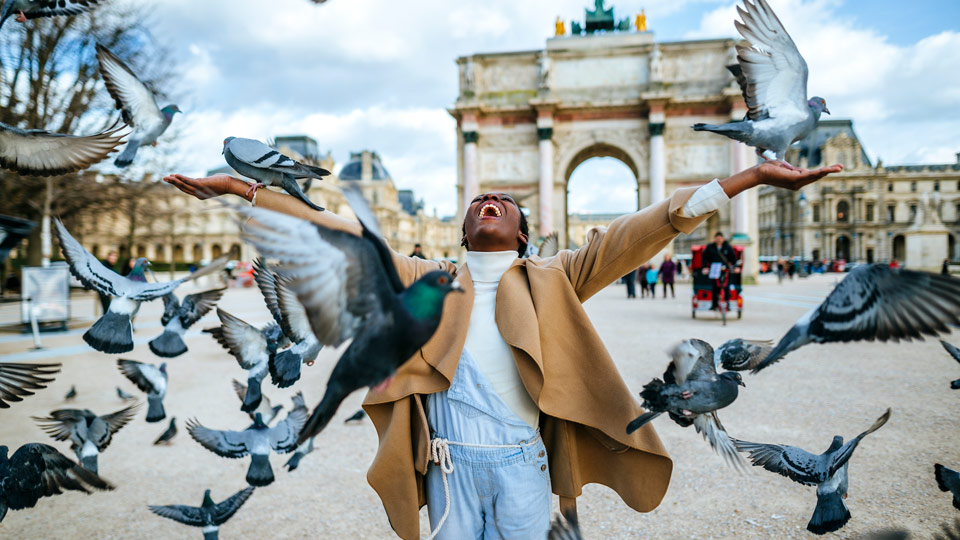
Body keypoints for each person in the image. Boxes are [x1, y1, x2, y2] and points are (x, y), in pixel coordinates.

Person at [163, 159, 840, 539]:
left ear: (520, 235)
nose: (489, 199)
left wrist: (744, 180)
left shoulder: (557, 275)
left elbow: (641, 231)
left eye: (503, 200)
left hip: (522, 463)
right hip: (447, 464)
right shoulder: (423, 277)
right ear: (463, 231)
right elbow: (337, 230)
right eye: (479, 198)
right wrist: (249, 191)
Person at [703, 232, 737, 310]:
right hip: (714, 269)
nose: (718, 240)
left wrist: (735, 266)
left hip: (725, 270)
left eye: (720, 238)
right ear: (714, 239)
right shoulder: (710, 247)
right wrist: (704, 267)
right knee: (715, 287)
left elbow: (733, 257)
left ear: (723, 239)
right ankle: (714, 304)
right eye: (717, 238)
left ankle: (727, 303)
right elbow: (705, 257)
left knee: (727, 286)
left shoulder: (727, 247)